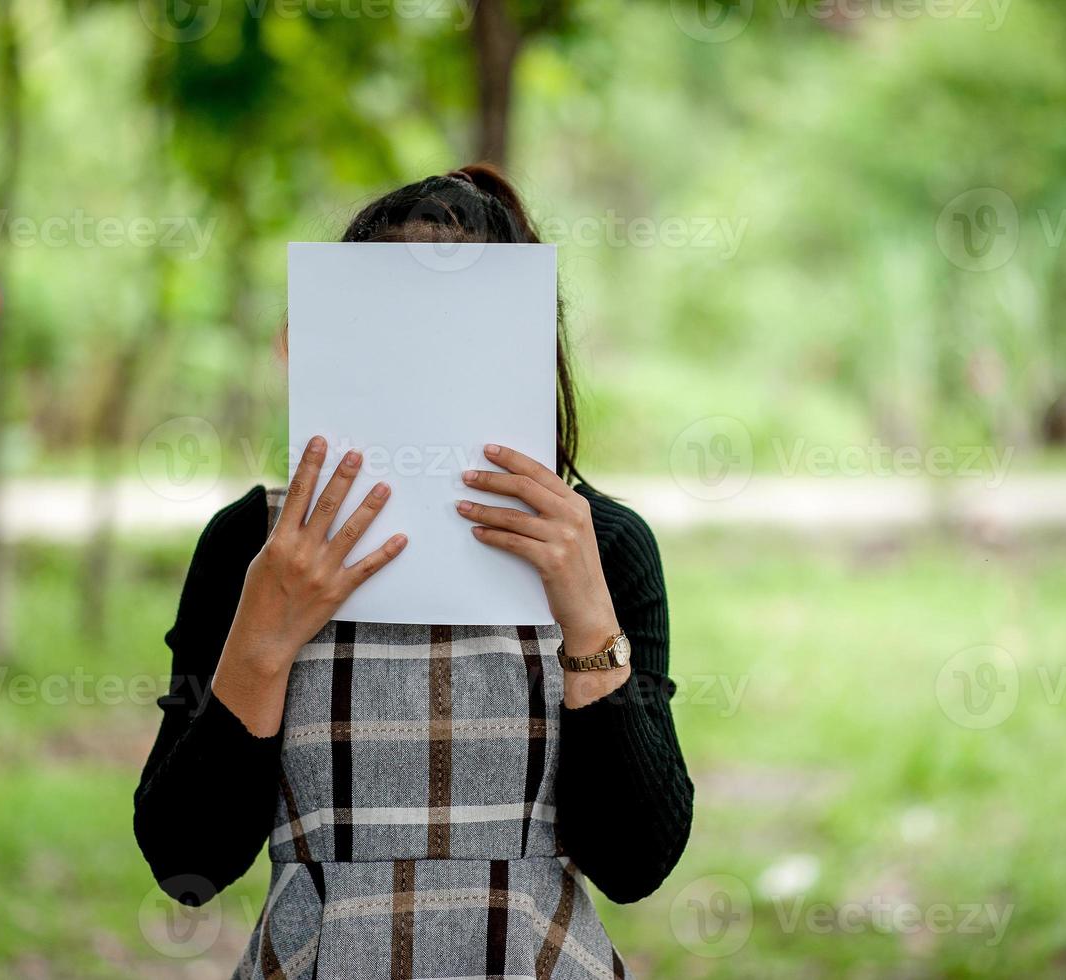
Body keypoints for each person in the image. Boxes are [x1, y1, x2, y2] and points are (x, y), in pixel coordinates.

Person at [134, 165, 693, 978]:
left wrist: (588, 626)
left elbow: (636, 864)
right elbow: (188, 860)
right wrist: (259, 641)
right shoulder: (252, 548)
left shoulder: (599, 547)